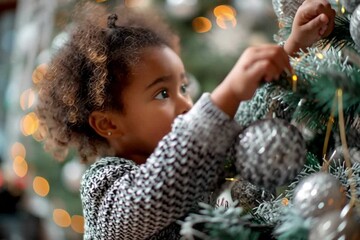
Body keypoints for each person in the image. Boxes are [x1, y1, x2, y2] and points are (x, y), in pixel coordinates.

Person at [34, 0, 335, 239]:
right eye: (162, 94)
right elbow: (157, 189)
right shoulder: (103, 187)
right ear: (109, 124)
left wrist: (291, 51)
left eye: (183, 88)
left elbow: (246, 129)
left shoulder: (196, 159)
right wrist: (225, 94)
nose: (185, 103)